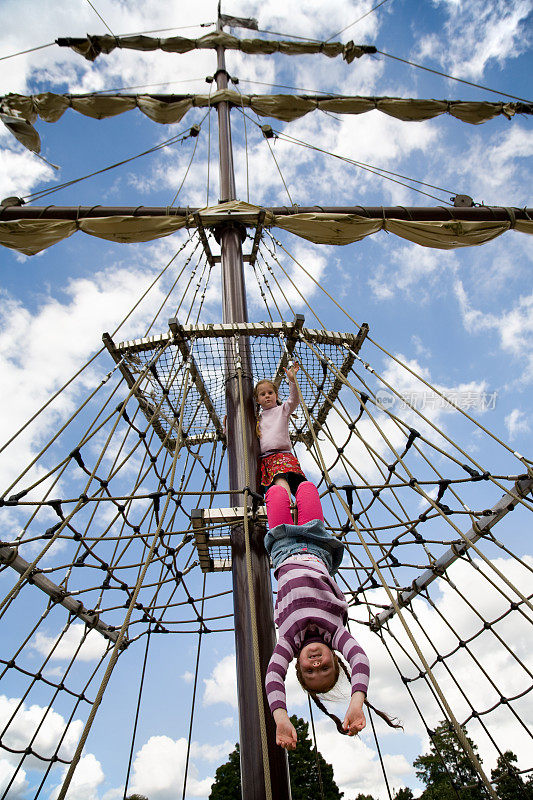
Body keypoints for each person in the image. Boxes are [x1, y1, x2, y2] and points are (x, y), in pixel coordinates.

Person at [264, 480, 400, 750]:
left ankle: (275, 476)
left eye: (309, 670)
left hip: (282, 545)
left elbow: (273, 676)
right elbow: (359, 659)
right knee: (306, 489)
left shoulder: (288, 641)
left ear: (298, 665)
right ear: (336, 659)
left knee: (276, 493)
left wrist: (280, 717)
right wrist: (356, 702)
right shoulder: (336, 632)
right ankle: (287, 470)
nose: (315, 664)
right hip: (317, 545)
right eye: (325, 668)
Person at [254, 363, 306, 510]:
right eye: (262, 394)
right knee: (278, 482)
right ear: (258, 400)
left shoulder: (281, 410)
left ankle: (294, 507)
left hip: (282, 454)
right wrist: (227, 427)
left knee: (294, 482)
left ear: (276, 395)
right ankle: (288, 506)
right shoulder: (257, 419)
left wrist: (292, 381)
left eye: (270, 393)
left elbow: (294, 400)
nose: (267, 396)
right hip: (267, 458)